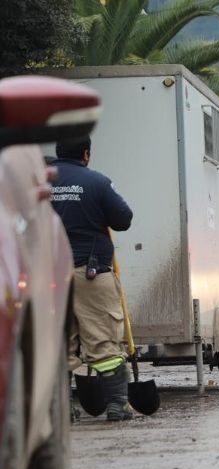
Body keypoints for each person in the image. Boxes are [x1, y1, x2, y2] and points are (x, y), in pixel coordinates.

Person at [50, 136, 135, 421]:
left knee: (57, 344)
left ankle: (62, 411)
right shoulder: (97, 182)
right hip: (90, 274)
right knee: (103, 341)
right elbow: (123, 219)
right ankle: (117, 405)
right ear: (86, 154)